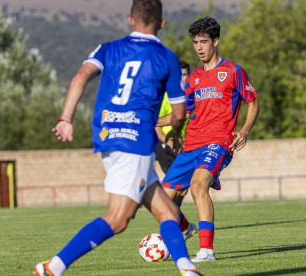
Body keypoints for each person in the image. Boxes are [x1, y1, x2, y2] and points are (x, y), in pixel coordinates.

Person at [34, 1, 204, 276]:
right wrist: (174, 131)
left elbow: (80, 78)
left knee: (169, 214)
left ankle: (188, 269)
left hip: (107, 137)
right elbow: (180, 113)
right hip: (134, 142)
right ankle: (52, 267)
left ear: (130, 21)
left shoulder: (108, 48)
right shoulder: (166, 57)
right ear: (161, 24)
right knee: (118, 218)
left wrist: (66, 119)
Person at [157, 16, 259, 262]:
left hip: (218, 143)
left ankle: (206, 250)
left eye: (203, 41)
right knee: (162, 203)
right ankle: (186, 228)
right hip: (191, 145)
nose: (199, 47)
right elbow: (182, 114)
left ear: (216, 41)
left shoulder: (233, 71)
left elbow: (252, 102)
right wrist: (152, 122)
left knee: (198, 184)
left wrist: (244, 131)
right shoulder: (193, 79)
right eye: (195, 42)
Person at [155, 61, 191, 206]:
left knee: (183, 185)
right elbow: (155, 124)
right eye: (179, 75)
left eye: (185, 74)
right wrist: (168, 142)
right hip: (165, 145)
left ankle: (174, 217)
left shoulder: (190, 97)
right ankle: (169, 215)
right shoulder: (165, 97)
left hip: (181, 144)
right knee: (177, 182)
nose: (182, 78)